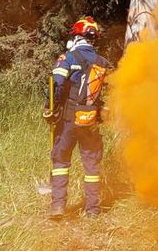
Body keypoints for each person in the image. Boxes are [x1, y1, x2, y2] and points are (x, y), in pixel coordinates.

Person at [44, 17, 111, 219]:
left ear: (77, 36)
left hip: (68, 120)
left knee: (61, 161)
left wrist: (50, 109)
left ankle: (58, 206)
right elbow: (107, 95)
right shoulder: (102, 62)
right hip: (90, 120)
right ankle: (93, 210)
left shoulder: (68, 57)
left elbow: (56, 84)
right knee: (91, 165)